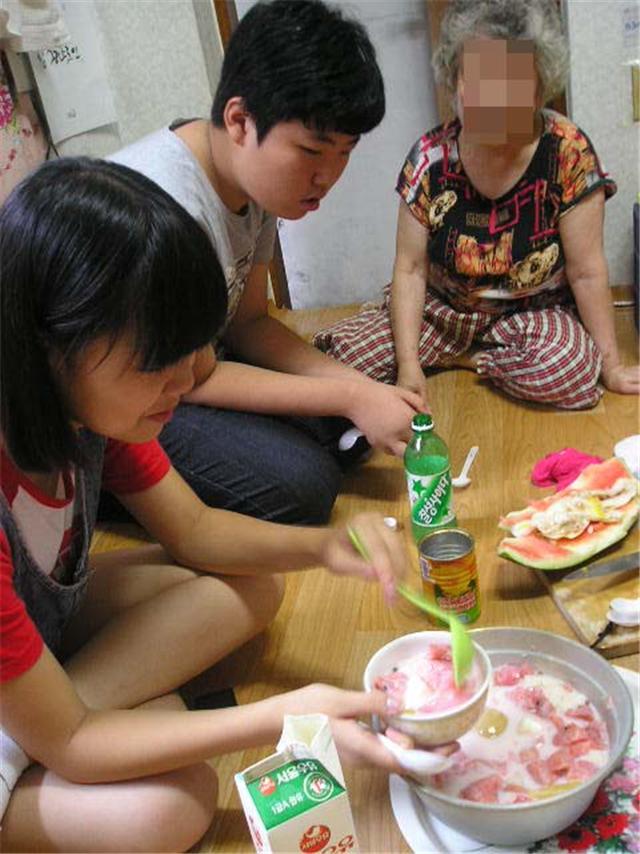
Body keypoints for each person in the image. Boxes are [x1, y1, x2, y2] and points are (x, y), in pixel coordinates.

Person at [0, 158, 422, 853]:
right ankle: (32, 738)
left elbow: (195, 530)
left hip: (39, 638)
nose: (188, 377)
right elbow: (76, 744)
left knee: (249, 589)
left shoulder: (84, 413)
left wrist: (324, 545)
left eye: (190, 350)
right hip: (44, 698)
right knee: (174, 803)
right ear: (51, 343)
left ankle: (45, 719)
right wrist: (289, 716)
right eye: (155, 360)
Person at [108, 0, 423, 528]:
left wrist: (360, 391)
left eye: (344, 153)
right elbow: (188, 378)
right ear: (239, 120)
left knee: (353, 420)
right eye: (311, 151)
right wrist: (349, 393)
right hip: (131, 399)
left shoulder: (254, 185)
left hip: (195, 365)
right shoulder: (165, 209)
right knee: (305, 485)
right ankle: (105, 492)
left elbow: (249, 321)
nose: (328, 177)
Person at [314, 0, 640, 410]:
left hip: (533, 313)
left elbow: (587, 271)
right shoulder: (430, 158)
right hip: (443, 312)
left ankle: (471, 360)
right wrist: (409, 362)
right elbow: (410, 269)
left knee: (573, 372)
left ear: (541, 88)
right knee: (335, 359)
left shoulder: (568, 152)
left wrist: (610, 364)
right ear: (456, 81)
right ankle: (454, 355)